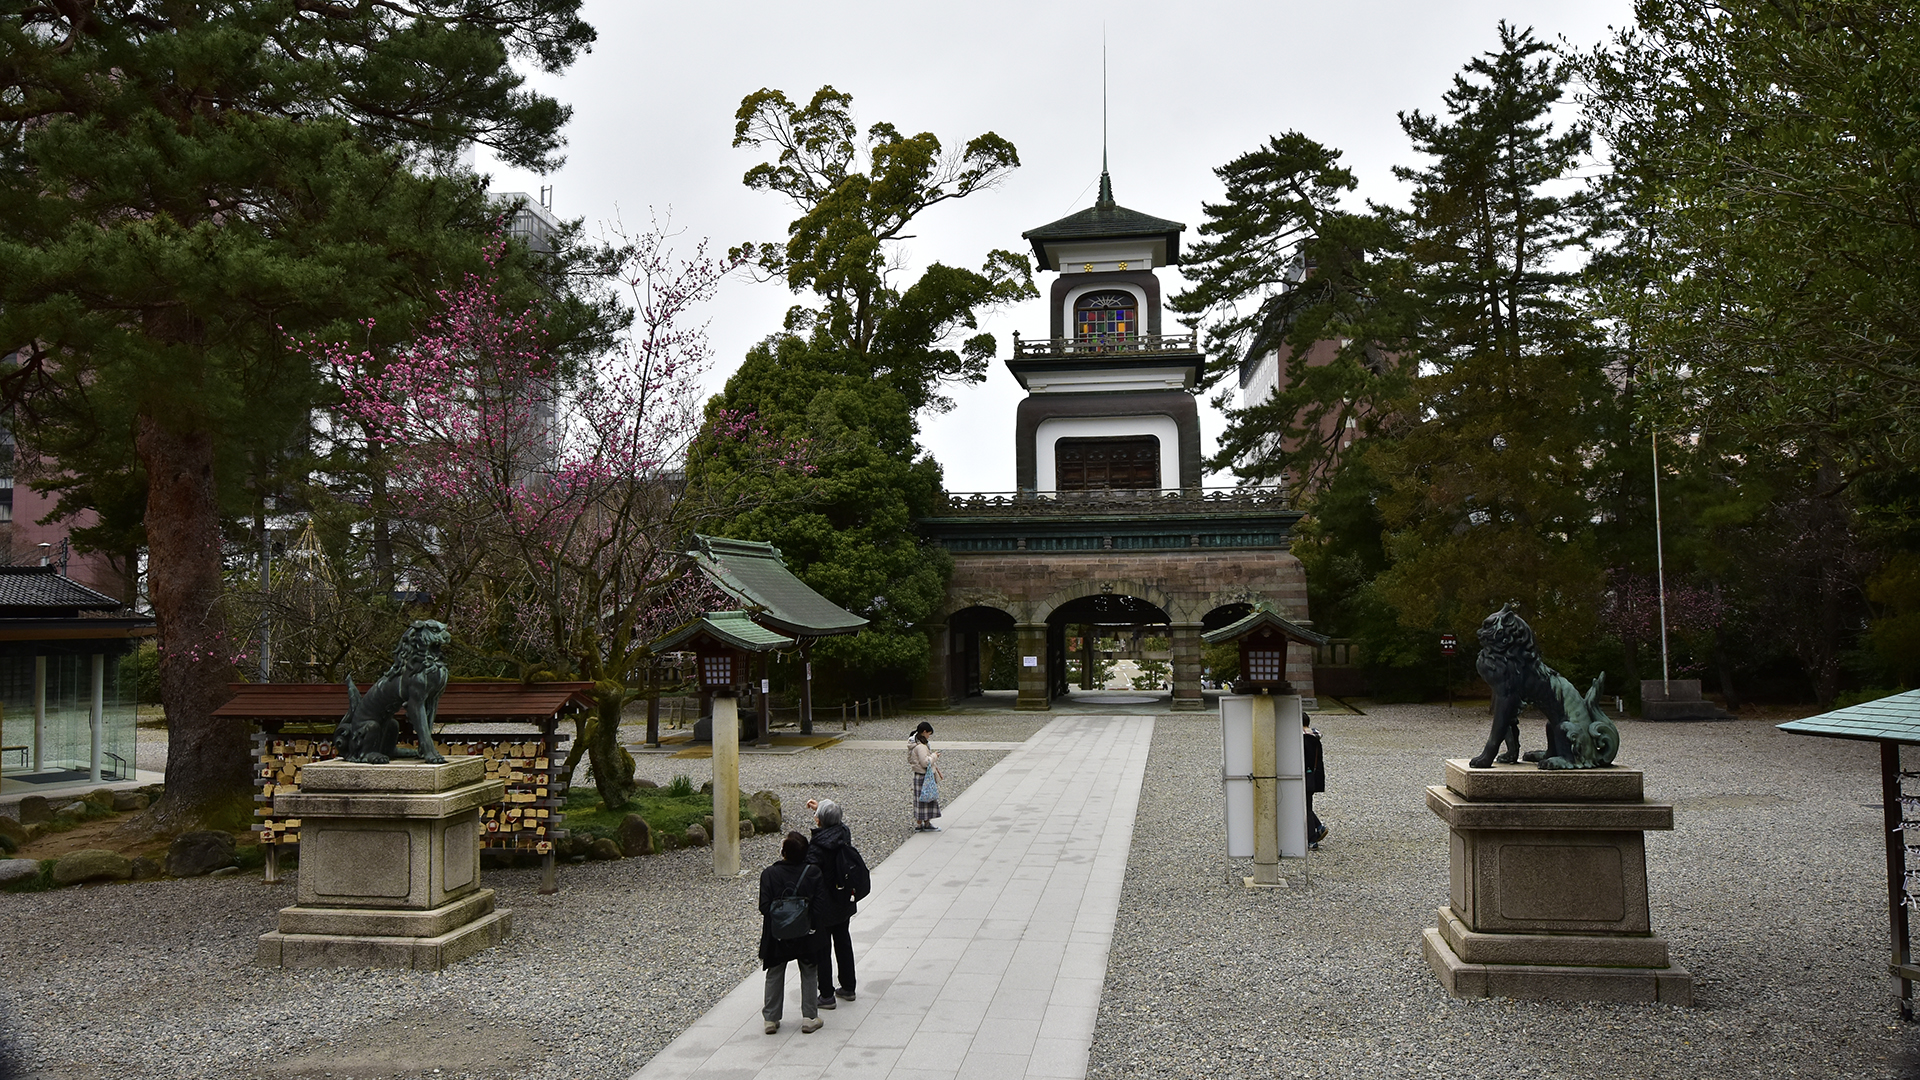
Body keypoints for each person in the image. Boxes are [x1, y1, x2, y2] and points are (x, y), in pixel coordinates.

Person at [804, 798, 868, 1011]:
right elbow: (837, 821)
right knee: (843, 941)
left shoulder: (816, 846)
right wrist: (822, 810)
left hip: (824, 903)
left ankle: (827, 994)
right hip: (843, 899)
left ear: (819, 821)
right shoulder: (844, 833)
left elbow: (811, 875)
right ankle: (848, 986)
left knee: (823, 947)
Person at [758, 831, 825, 1035]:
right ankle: (809, 1017)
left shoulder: (769, 874)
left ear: (783, 852)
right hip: (806, 933)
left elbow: (764, 907)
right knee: (809, 970)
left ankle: (771, 1019)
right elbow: (820, 907)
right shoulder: (813, 872)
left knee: (775, 972)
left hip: (777, 934)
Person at [908, 721, 943, 831]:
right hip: (924, 776)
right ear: (924, 732)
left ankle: (920, 824)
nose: (929, 736)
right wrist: (934, 756)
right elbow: (925, 763)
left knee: (920, 800)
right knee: (926, 800)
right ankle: (926, 823)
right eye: (928, 733)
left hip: (918, 775)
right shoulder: (921, 747)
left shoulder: (914, 744)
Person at [1303, 714, 1329, 849]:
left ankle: (1312, 839)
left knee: (1304, 807)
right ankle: (1318, 827)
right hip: (1313, 776)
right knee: (1305, 805)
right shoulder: (1315, 737)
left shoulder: (1303, 739)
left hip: (1303, 776)